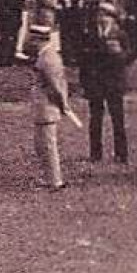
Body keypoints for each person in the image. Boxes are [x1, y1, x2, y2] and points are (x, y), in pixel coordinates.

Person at [26, 24, 77, 190]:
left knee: (48, 145)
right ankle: (49, 178)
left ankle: (55, 181)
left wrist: (63, 104)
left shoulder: (47, 58)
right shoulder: (46, 55)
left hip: (47, 107)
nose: (30, 42)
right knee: (42, 145)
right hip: (44, 106)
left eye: (33, 39)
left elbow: (55, 85)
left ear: (38, 40)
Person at [80, 2, 130, 164]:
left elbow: (129, 56)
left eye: (105, 16)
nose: (101, 19)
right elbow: (84, 62)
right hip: (96, 84)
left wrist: (119, 54)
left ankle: (121, 154)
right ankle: (95, 153)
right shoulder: (89, 35)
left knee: (118, 120)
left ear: (113, 18)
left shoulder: (120, 35)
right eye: (99, 15)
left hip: (114, 83)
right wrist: (85, 84)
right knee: (95, 120)